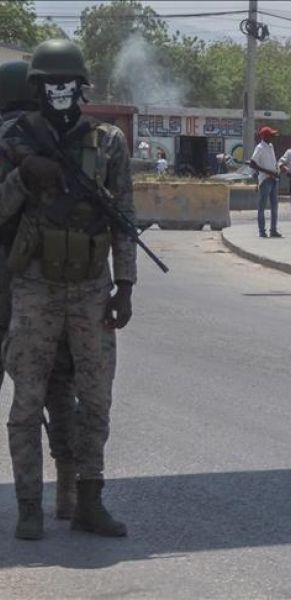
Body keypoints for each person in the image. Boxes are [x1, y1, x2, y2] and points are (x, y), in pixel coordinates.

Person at [0, 39, 135, 539]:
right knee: (27, 402)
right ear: (36, 88)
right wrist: (22, 175)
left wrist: (125, 284)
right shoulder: (15, 138)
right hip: (34, 286)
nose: (59, 90)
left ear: (81, 88)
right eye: (48, 83)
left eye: (67, 83)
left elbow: (125, 217)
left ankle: (88, 501)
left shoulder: (108, 142)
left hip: (91, 287)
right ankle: (30, 507)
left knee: (95, 397)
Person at [0, 60, 78, 530]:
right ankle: (67, 490)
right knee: (57, 391)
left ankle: (33, 506)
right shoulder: (68, 140)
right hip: (53, 287)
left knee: (31, 401)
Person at [250, 126, 281, 238]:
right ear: (266, 136)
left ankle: (273, 230)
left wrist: (276, 170)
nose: (273, 137)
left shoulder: (271, 146)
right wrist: (268, 172)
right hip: (265, 180)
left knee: (274, 207)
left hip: (274, 179)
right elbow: (252, 163)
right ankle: (262, 231)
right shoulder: (260, 148)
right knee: (262, 207)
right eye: (271, 135)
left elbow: (272, 161)